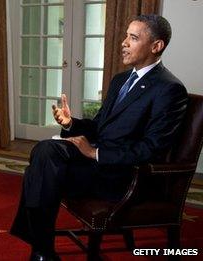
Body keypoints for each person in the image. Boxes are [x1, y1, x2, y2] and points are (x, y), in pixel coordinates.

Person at [10, 14, 188, 261]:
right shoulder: (121, 80)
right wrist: (71, 123)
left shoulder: (169, 89)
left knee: (38, 172)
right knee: (45, 151)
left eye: (133, 38)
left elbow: (152, 148)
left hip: (123, 175)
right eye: (126, 35)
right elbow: (99, 127)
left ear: (156, 46)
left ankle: (41, 249)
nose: (124, 42)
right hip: (96, 166)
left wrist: (95, 153)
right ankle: (43, 250)